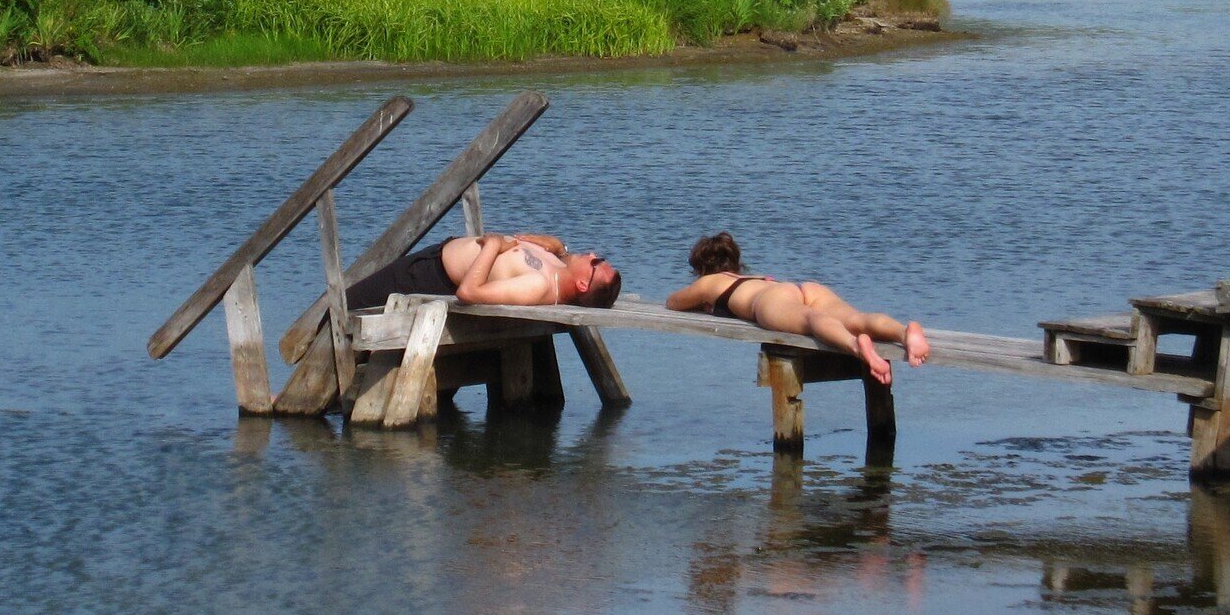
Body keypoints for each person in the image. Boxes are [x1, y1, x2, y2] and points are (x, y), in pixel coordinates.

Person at [665, 232, 929, 385]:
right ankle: (904, 333)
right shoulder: (754, 278)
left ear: (700, 268)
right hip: (803, 288)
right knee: (856, 317)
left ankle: (856, 346)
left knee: (811, 320)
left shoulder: (709, 282)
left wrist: (704, 300)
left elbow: (674, 302)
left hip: (769, 303)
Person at [343, 230, 623, 312]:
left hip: (429, 276)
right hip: (433, 257)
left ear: (583, 285)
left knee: (343, 312)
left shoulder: (539, 286)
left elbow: (469, 292)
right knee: (344, 305)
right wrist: (558, 245)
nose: (593, 255)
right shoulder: (560, 267)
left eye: (595, 263)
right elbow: (564, 252)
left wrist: (492, 245)